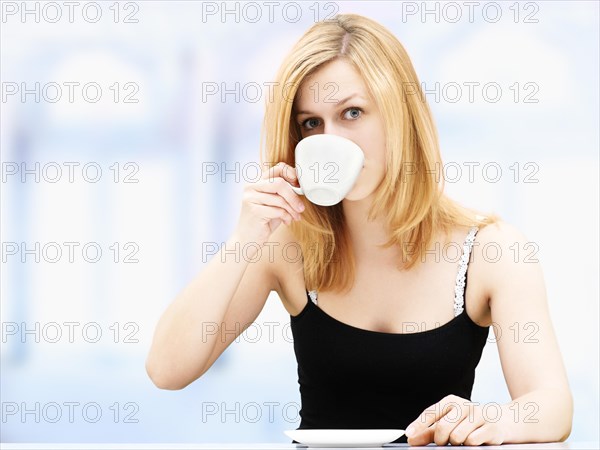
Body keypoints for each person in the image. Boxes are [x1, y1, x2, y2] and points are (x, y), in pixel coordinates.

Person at [146, 13, 573, 446]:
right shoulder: (286, 244)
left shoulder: (490, 251)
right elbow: (167, 370)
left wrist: (493, 421)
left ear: (399, 116)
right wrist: (243, 240)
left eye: (352, 113)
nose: (332, 140)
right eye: (311, 123)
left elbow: (552, 405)